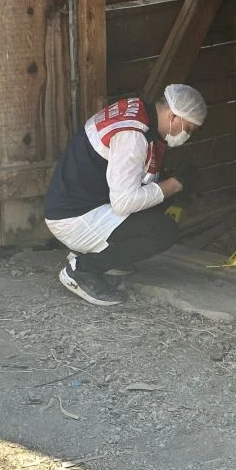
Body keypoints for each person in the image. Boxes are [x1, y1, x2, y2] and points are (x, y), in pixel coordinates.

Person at [44, 84, 207, 306]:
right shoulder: (133, 136)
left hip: (80, 204)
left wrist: (169, 185)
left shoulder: (138, 111)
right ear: (173, 116)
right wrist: (174, 185)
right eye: (188, 128)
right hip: (75, 218)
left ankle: (99, 253)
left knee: (157, 199)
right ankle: (82, 270)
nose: (187, 135)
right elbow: (123, 202)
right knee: (163, 231)